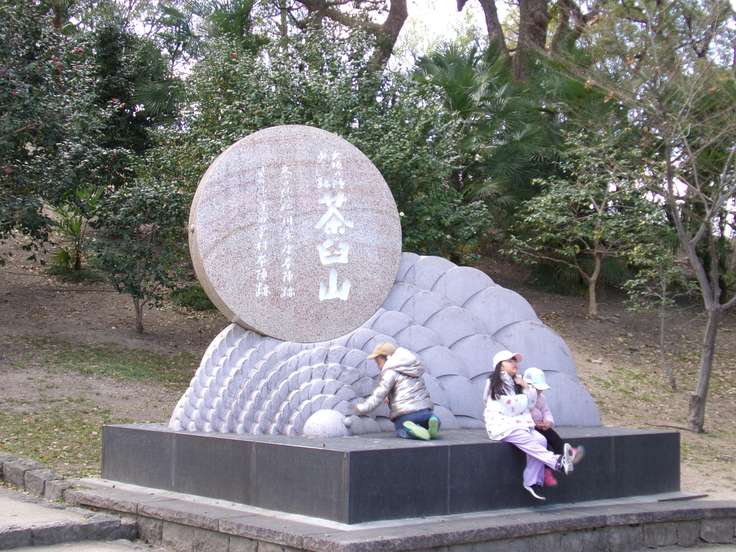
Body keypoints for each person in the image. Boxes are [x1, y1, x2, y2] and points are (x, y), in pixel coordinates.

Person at [483, 350, 584, 500]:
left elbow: (530, 404)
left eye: (515, 361)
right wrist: (522, 399)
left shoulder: (516, 381)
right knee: (528, 440)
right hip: (502, 426)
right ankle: (558, 462)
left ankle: (532, 481)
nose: (514, 363)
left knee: (541, 440)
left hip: (520, 424)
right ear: (500, 365)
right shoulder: (494, 382)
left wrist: (525, 387)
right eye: (510, 361)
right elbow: (511, 406)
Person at [354, 342, 440, 440]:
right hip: (425, 410)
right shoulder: (413, 370)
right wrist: (389, 396)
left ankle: (410, 430)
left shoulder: (390, 372)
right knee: (428, 421)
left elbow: (379, 394)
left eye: (378, 362)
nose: (378, 366)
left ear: (388, 358)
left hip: (406, 415)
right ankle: (432, 422)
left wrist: (363, 408)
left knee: (401, 429)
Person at [522, 366, 578, 488]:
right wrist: (534, 424)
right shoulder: (522, 398)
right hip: (530, 427)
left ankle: (566, 452)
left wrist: (548, 422)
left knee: (552, 435)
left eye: (541, 389)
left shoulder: (541, 398)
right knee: (544, 446)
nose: (540, 392)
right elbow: (522, 413)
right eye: (537, 389)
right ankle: (546, 471)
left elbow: (546, 411)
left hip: (540, 425)